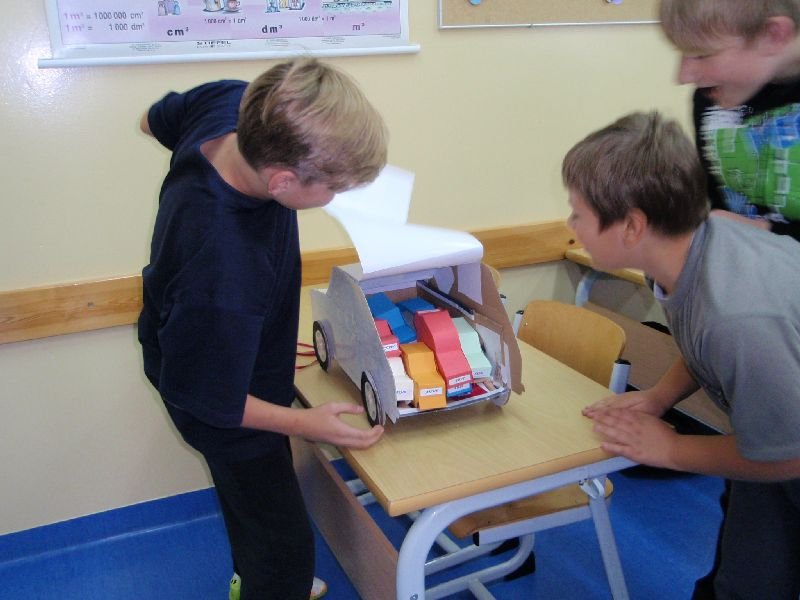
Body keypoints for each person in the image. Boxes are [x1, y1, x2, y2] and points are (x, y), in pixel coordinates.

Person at [137, 58, 387, 600]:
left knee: (249, 504)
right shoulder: (223, 264)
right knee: (284, 547)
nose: (335, 198)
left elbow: (152, 120)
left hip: (209, 349)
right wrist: (306, 423)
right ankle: (271, 582)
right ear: (282, 181)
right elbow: (211, 399)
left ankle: (256, 573)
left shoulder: (237, 104)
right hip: (219, 400)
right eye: (332, 188)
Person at [562, 111, 800, 600]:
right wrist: (658, 397)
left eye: (578, 213)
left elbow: (789, 457)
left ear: (632, 226)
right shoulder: (686, 249)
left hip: (786, 444)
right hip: (773, 424)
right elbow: (700, 336)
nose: (571, 225)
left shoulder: (739, 315)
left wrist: (670, 450)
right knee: (746, 580)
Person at [660, 0, 800, 241]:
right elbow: (713, 203)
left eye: (702, 54)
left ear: (773, 35)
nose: (683, 76)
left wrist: (768, 232)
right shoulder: (712, 99)